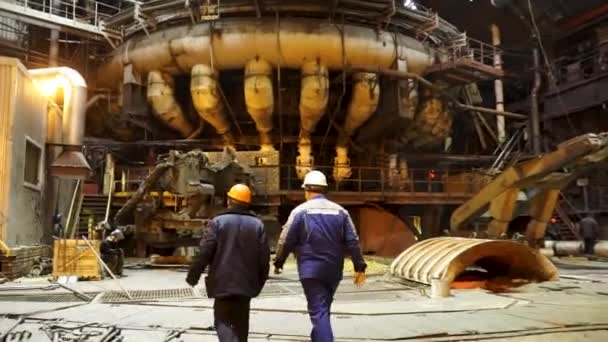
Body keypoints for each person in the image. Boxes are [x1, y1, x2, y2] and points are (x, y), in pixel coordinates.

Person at [274, 170, 367, 342]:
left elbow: (285, 239)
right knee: (323, 308)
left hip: (310, 271)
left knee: (319, 311)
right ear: (324, 190)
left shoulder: (299, 212)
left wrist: (279, 261)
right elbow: (353, 241)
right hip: (333, 271)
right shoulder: (341, 212)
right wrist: (359, 267)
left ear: (307, 190)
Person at [186, 184, 270, 342]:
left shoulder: (217, 222)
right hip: (246, 284)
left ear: (229, 200)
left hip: (222, 283)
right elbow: (264, 259)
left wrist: (193, 275)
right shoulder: (257, 225)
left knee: (222, 321)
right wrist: (259, 283)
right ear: (247, 202)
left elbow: (204, 252)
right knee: (242, 324)